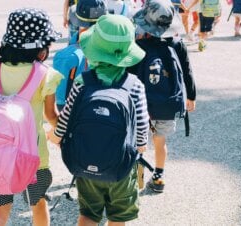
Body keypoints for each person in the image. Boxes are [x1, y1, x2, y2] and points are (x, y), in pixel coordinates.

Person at [50, 14, 149, 226]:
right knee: (118, 217)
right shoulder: (135, 86)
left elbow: (65, 119)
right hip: (121, 166)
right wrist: (140, 148)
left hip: (85, 163)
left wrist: (57, 138)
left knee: (88, 214)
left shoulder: (81, 82)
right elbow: (141, 130)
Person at [0, 8, 62, 226]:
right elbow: (50, 115)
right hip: (33, 157)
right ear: (41, 50)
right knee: (38, 206)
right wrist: (63, 133)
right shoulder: (45, 74)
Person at [128, 0, 196, 193]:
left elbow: (130, 75)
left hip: (141, 104)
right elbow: (187, 70)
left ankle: (135, 177)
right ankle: (158, 177)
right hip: (168, 103)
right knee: (160, 141)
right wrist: (191, 96)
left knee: (137, 141)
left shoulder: (138, 45)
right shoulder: (177, 44)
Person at [54, 0, 107, 111]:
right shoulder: (115, 51)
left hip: (75, 116)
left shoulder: (65, 56)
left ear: (76, 21)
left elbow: (60, 101)